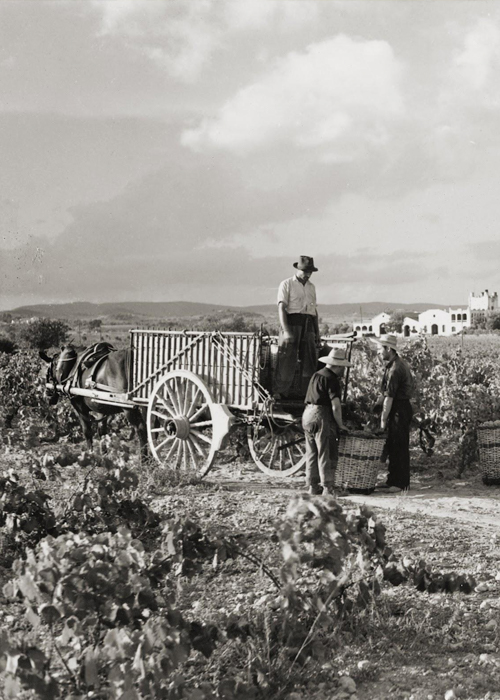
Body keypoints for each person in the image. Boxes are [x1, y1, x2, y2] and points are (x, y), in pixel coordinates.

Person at [302, 346, 350, 496]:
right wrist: (340, 424)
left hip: (307, 414)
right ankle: (328, 488)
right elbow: (335, 406)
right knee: (325, 452)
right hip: (321, 415)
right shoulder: (332, 379)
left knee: (311, 452)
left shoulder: (316, 375)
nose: (343, 370)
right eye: (342, 367)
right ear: (337, 365)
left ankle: (312, 486)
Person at [273, 256, 320, 400]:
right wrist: (286, 331)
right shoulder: (286, 284)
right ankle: (280, 393)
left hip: (309, 326)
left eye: (310, 271)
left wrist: (316, 333)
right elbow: (281, 308)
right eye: (305, 271)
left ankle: (307, 395)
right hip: (292, 324)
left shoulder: (312, 287)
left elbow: (314, 312)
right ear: (298, 269)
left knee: (310, 360)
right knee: (287, 358)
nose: (308, 274)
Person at [372, 334, 414, 493]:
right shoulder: (395, 364)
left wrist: (383, 420)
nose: (378, 352)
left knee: (399, 445)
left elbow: (389, 397)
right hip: (399, 407)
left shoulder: (395, 368)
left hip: (399, 409)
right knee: (393, 444)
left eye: (379, 349)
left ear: (389, 349)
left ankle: (401, 483)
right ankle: (392, 480)